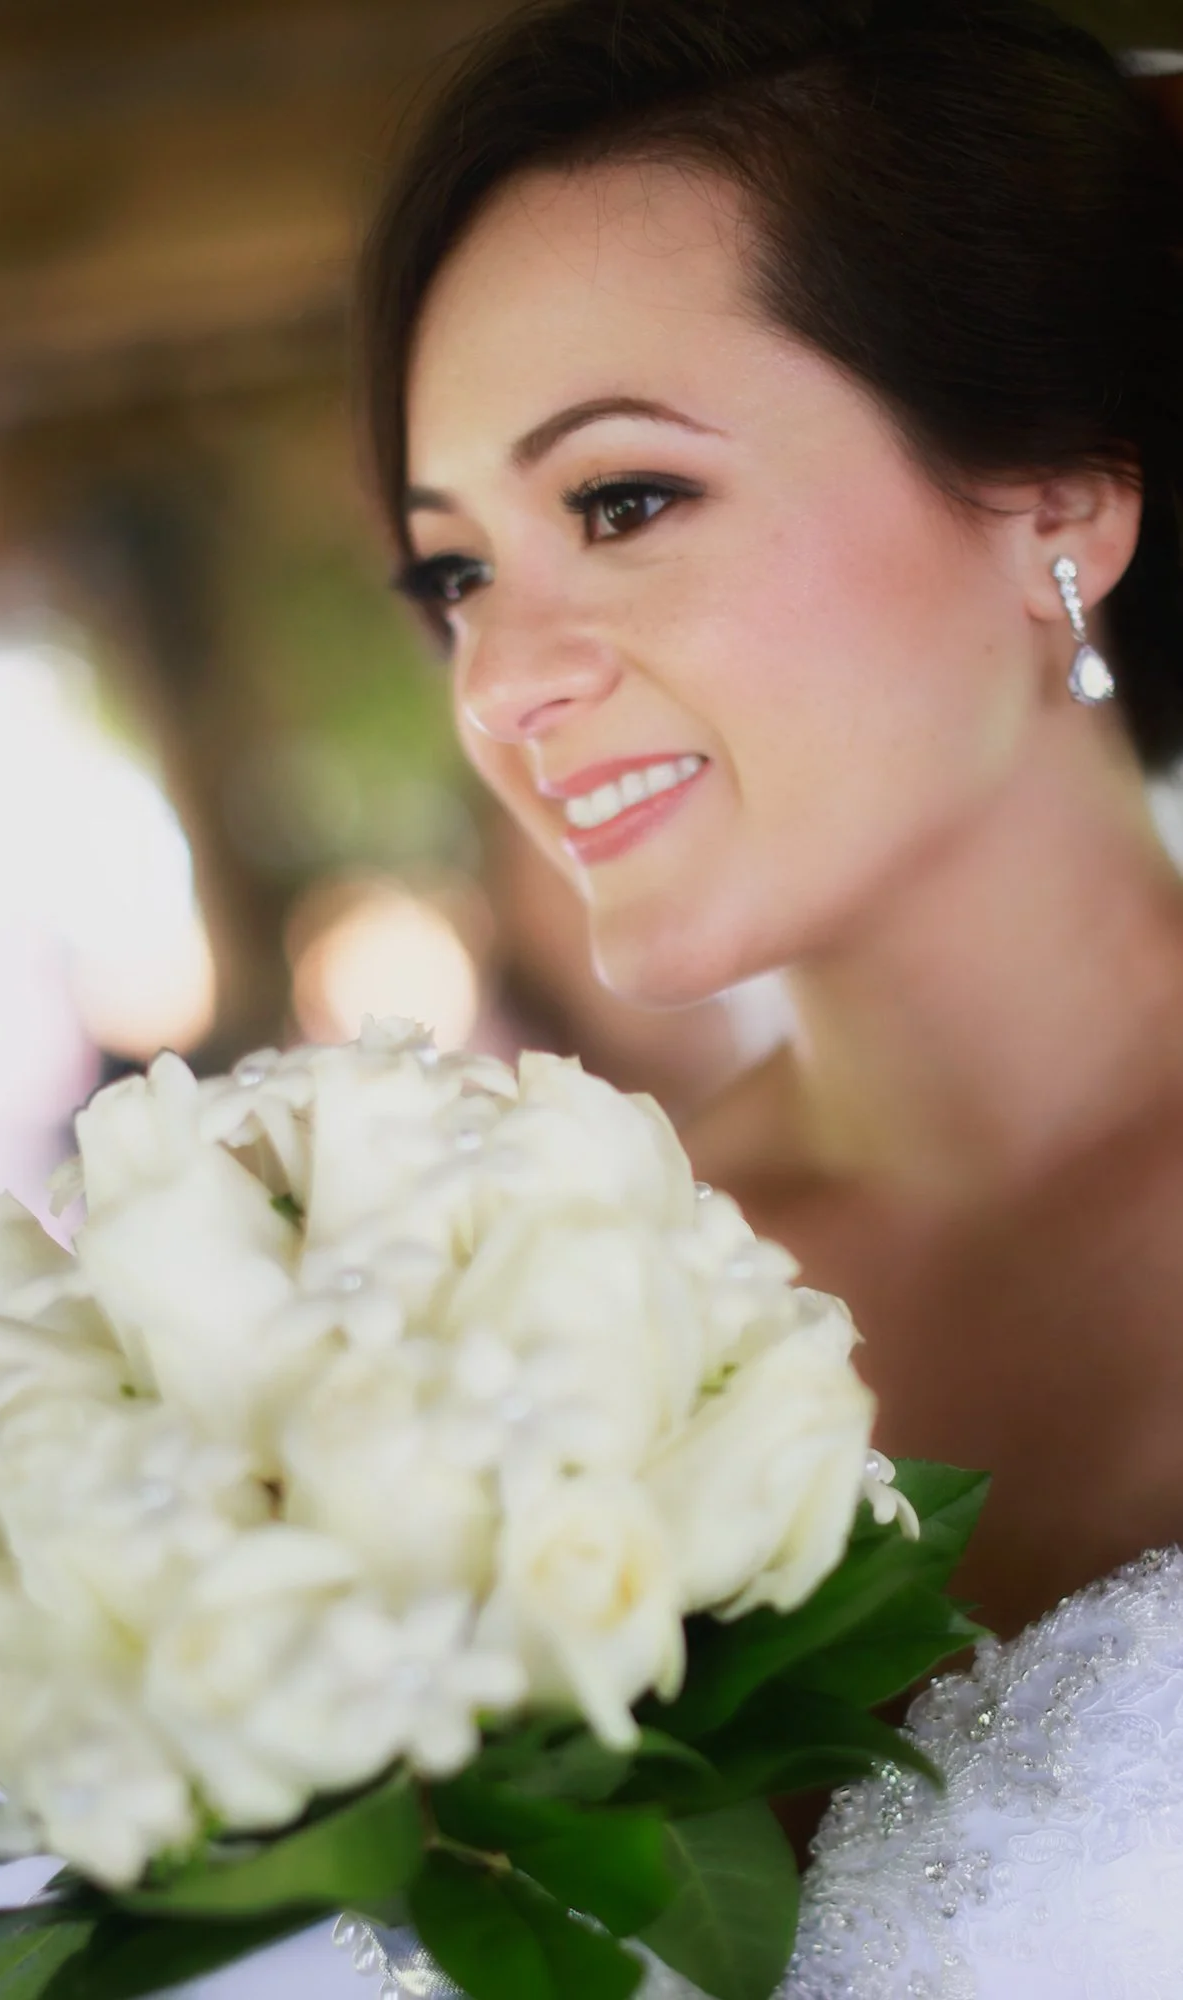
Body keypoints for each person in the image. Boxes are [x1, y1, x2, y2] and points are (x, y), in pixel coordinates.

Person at [292, 2, 1183, 1993]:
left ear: (1056, 504)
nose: (501, 683)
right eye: (455, 574)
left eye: (617, 502)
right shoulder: (536, 1327)